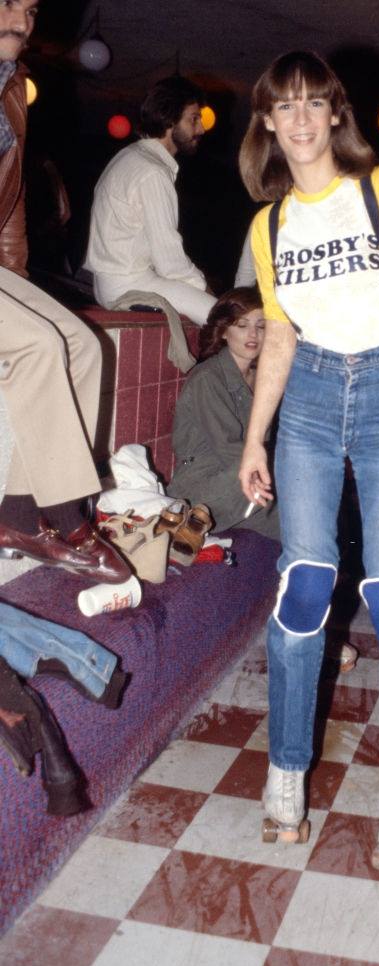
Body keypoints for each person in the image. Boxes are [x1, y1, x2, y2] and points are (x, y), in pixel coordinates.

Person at [237, 51, 379, 861]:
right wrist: (256, 434)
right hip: (313, 398)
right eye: (280, 107)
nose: (296, 120)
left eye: (310, 104)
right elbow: (280, 337)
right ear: (265, 122)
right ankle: (285, 770)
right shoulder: (269, 226)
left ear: (334, 114)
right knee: (304, 584)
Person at [0, 0, 130, 584]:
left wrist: (19, 282)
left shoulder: (12, 89)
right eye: (6, 3)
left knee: (80, 342)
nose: (21, 20)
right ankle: (67, 520)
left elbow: (11, 200)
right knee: (36, 346)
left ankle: (20, 515)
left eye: (28, 8)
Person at [85, 76, 215, 326]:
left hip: (108, 283)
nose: (201, 129)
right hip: (129, 284)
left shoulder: (129, 156)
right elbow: (170, 262)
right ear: (169, 120)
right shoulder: (151, 172)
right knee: (227, 321)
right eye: (193, 119)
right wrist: (207, 292)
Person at [168, 287, 280, 539]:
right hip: (204, 486)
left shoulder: (262, 378)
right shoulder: (208, 377)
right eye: (241, 325)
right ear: (224, 331)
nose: (253, 334)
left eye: (261, 326)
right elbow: (230, 450)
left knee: (304, 521)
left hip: (241, 481)